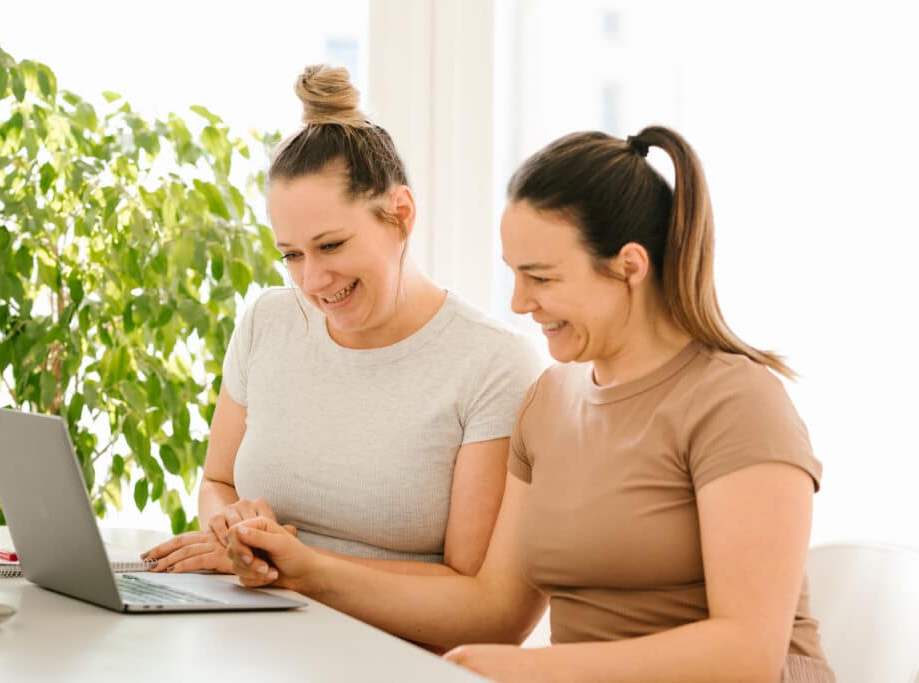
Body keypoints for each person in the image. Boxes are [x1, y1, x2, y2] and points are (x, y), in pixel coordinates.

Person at [226, 126, 835, 682]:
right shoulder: (548, 401)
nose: (519, 303)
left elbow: (747, 654)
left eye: (541, 278)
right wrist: (303, 568)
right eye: (513, 275)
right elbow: (495, 604)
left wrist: (534, 672)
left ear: (629, 267)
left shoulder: (737, 402)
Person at [143, 65, 542, 585]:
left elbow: (467, 586)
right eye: (291, 254)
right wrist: (228, 526)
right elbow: (217, 480)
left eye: (331, 245)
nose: (312, 280)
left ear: (400, 214)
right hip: (254, 631)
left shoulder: (492, 363)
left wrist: (293, 566)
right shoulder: (269, 320)